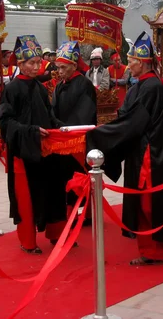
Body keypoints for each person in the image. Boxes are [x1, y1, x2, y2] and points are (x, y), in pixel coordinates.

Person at [86, 32, 163, 266]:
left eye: (131, 61)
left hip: (148, 153)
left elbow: (134, 122)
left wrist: (101, 133)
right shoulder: (141, 86)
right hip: (139, 150)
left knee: (148, 203)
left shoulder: (151, 86)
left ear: (141, 62)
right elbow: (127, 118)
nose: (128, 65)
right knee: (146, 203)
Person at [0, 35, 66, 254]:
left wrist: (61, 128)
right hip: (23, 152)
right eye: (32, 63)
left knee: (53, 191)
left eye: (39, 62)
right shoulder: (12, 89)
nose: (37, 66)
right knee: (26, 198)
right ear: (20, 64)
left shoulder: (39, 87)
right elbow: (5, 122)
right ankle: (28, 241)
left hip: (45, 150)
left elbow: (49, 114)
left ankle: (56, 234)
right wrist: (31, 131)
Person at [52, 41, 97, 224]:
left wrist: (67, 129)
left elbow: (85, 113)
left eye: (63, 67)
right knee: (64, 176)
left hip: (78, 137)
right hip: (62, 137)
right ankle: (69, 213)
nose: (60, 71)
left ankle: (88, 213)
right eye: (58, 67)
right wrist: (56, 124)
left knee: (80, 175)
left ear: (73, 65)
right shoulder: (59, 84)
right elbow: (53, 109)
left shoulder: (84, 84)